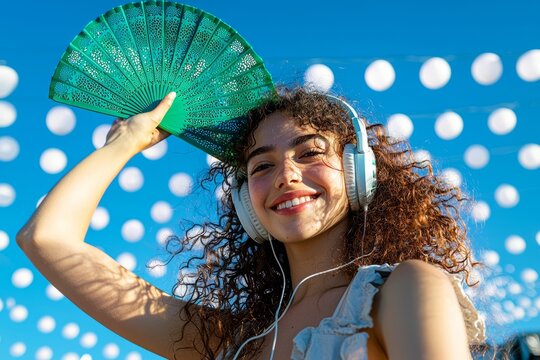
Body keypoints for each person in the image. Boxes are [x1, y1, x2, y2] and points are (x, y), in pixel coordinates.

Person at [18, 88, 486, 360]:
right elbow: (47, 239)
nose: (286, 175)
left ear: (356, 173)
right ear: (245, 202)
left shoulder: (402, 289)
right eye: (261, 166)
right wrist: (123, 144)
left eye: (309, 153)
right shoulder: (230, 340)